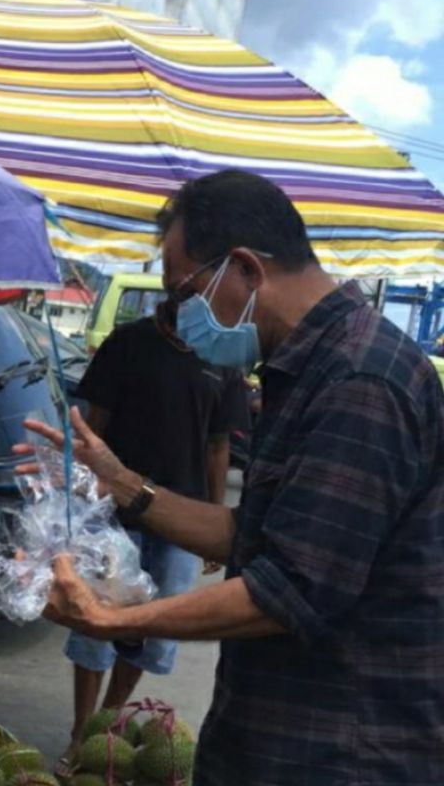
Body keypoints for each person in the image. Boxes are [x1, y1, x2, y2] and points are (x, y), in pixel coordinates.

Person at [23, 169, 444, 784]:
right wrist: (125, 485)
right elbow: (255, 534)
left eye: (183, 293)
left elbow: (291, 589)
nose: (177, 314)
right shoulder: (306, 368)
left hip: (341, 754)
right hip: (273, 739)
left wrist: (115, 621)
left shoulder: (360, 382)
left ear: (245, 269)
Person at [55, 297, 247, 778]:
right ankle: (82, 730)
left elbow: (218, 445)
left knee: (152, 630)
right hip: (113, 513)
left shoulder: (223, 360)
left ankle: (109, 725)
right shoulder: (129, 343)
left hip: (180, 522)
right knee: (96, 621)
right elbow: (94, 426)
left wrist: (214, 517)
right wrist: (80, 500)